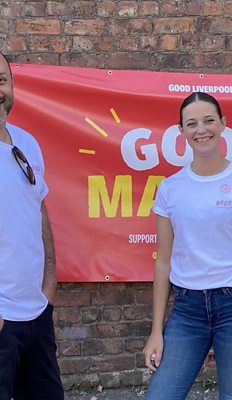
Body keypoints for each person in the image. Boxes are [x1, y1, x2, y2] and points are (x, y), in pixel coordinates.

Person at [143, 92, 232, 400]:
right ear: (181, 131)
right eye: (191, 124)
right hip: (187, 310)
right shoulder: (170, 188)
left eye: (208, 121)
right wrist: (156, 331)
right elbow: (163, 263)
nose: (201, 130)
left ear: (223, 124)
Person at [0, 52, 64, 400]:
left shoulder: (27, 143)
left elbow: (38, 210)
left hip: (36, 314)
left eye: (1, 80)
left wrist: (48, 286)